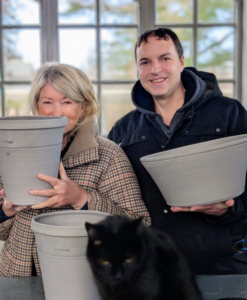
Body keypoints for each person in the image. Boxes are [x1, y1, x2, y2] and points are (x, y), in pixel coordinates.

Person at [108, 28, 247, 275]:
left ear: (181, 62)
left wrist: (229, 208)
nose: (155, 69)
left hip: (221, 268)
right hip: (149, 272)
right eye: (145, 62)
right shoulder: (122, 130)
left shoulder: (229, 114)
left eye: (165, 58)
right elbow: (113, 202)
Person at [0, 62, 150, 276]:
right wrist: (5, 212)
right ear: (37, 105)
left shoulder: (108, 155)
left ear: (84, 107)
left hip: (81, 277)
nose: (57, 112)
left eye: (67, 101)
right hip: (16, 274)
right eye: (48, 102)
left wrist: (80, 198)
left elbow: (140, 228)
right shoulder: (14, 151)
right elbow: (3, 231)